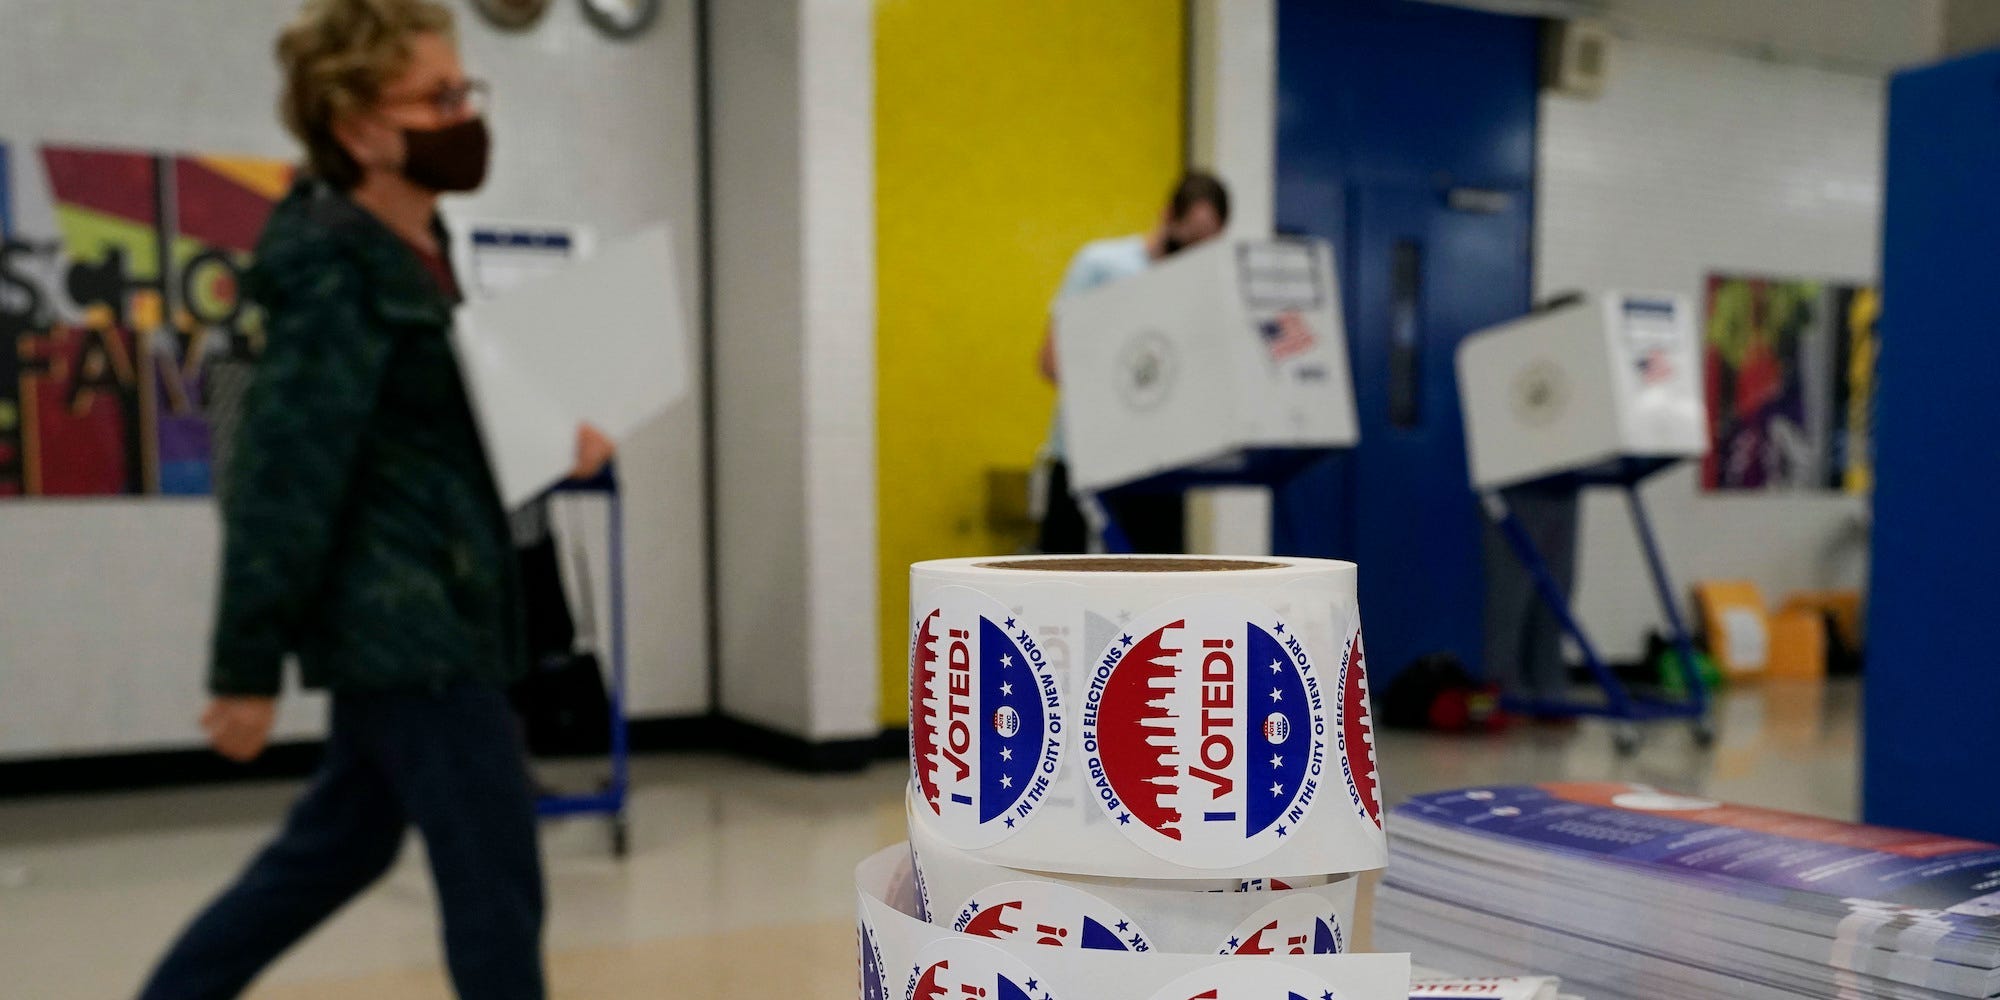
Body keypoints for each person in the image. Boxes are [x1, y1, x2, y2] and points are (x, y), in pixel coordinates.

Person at [136, 2, 610, 997]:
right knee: (495, 886)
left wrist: (544, 442)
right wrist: (246, 666)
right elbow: (281, 473)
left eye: (463, 90)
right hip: (410, 628)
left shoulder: (412, 249)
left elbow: (424, 439)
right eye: (436, 98)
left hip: (438, 610)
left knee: (337, 850)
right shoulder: (334, 273)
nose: (464, 115)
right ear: (356, 127)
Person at [1035, 171, 1230, 554]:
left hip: (1158, 467)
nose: (1193, 251)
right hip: (1084, 461)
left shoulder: (1197, 289)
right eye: (1189, 235)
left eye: (1205, 246)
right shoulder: (1103, 265)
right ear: (1168, 216)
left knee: (1157, 590)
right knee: (1065, 587)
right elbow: (1051, 360)